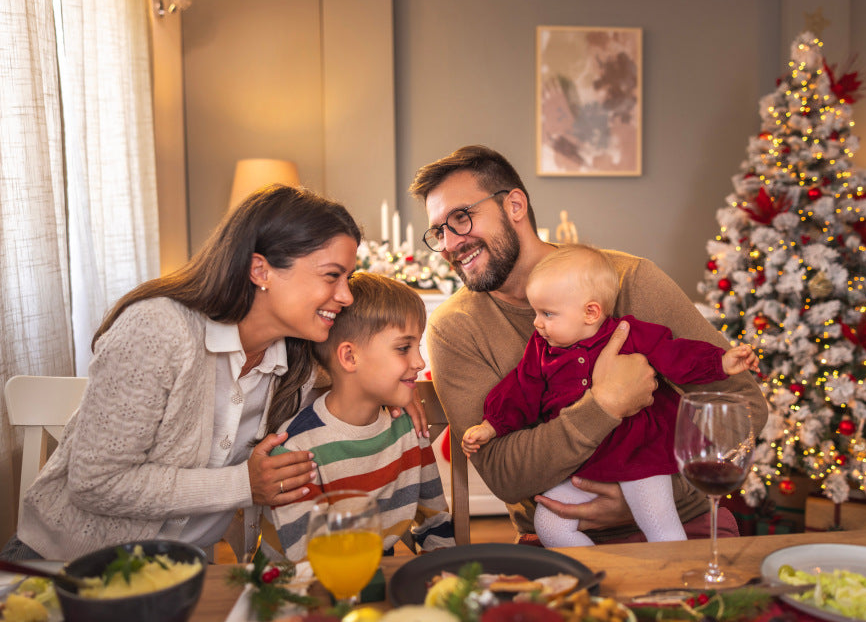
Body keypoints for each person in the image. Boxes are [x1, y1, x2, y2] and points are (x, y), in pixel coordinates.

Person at [0, 185, 426, 562]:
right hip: (63, 566)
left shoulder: (296, 360)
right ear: (261, 271)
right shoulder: (159, 330)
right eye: (332, 276)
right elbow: (95, 482)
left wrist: (398, 391)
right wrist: (243, 484)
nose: (345, 295)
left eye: (348, 277)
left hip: (185, 575)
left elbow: (356, 381)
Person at [410, 145, 768, 544]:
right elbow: (503, 474)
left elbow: (743, 408)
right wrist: (604, 404)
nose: (448, 244)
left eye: (461, 218)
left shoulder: (630, 280)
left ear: (514, 205)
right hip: (557, 534)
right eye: (438, 231)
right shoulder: (454, 328)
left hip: (681, 521)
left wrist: (656, 491)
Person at [461, 245, 759, 547]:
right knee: (549, 522)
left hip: (641, 456)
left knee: (659, 523)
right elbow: (519, 392)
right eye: (537, 312)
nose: (536, 324)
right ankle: (597, 573)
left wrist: (720, 362)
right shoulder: (541, 351)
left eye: (547, 314)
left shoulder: (630, 333)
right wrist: (491, 425)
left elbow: (676, 355)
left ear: (591, 312)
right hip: (585, 467)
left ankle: (675, 578)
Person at [270, 273, 454, 560]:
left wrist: (439, 573)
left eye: (417, 346)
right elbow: (306, 564)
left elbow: (435, 521)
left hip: (373, 579)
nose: (419, 362)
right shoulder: (297, 450)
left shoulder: (409, 429)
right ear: (350, 357)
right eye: (403, 348)